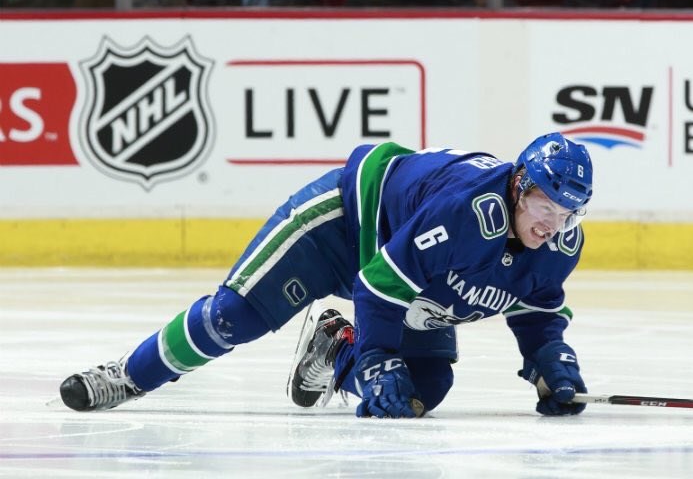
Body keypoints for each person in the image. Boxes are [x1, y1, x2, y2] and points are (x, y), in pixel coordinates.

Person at [59, 133, 594, 419]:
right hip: (345, 225)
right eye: (545, 203)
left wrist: (549, 360)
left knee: (422, 391)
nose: (553, 224)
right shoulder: (466, 213)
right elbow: (383, 284)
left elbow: (538, 305)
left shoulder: (560, 242)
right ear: (520, 184)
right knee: (233, 317)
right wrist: (381, 356)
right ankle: (130, 374)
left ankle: (338, 348)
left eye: (569, 212)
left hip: (412, 268)